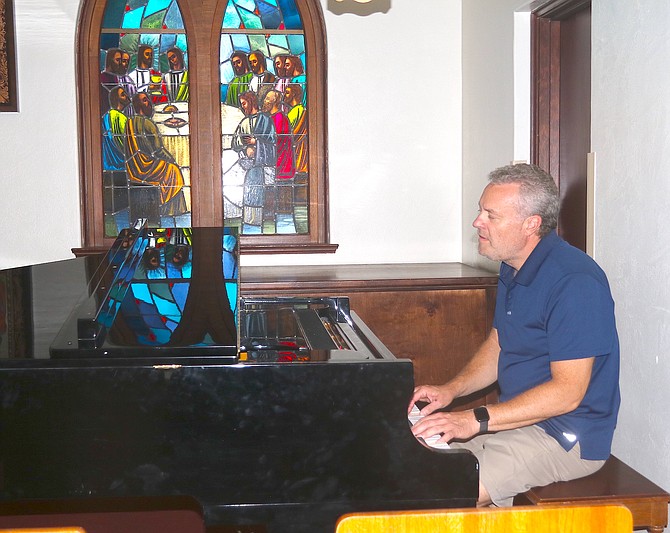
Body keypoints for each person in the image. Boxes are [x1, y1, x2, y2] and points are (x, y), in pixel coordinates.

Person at [409, 163, 620, 508]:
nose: (478, 221)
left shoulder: (575, 283)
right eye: (481, 210)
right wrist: (452, 390)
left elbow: (567, 394)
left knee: (444, 496)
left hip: (565, 435)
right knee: (417, 467)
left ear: (531, 224)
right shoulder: (513, 265)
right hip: (517, 422)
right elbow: (500, 343)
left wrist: (473, 419)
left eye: (491, 215)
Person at [125, 91, 188, 217]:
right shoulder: (148, 123)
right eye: (145, 100)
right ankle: (168, 209)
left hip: (133, 167)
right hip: (147, 167)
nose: (149, 103)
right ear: (138, 105)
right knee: (174, 171)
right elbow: (158, 150)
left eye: (147, 99)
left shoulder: (129, 122)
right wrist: (172, 161)